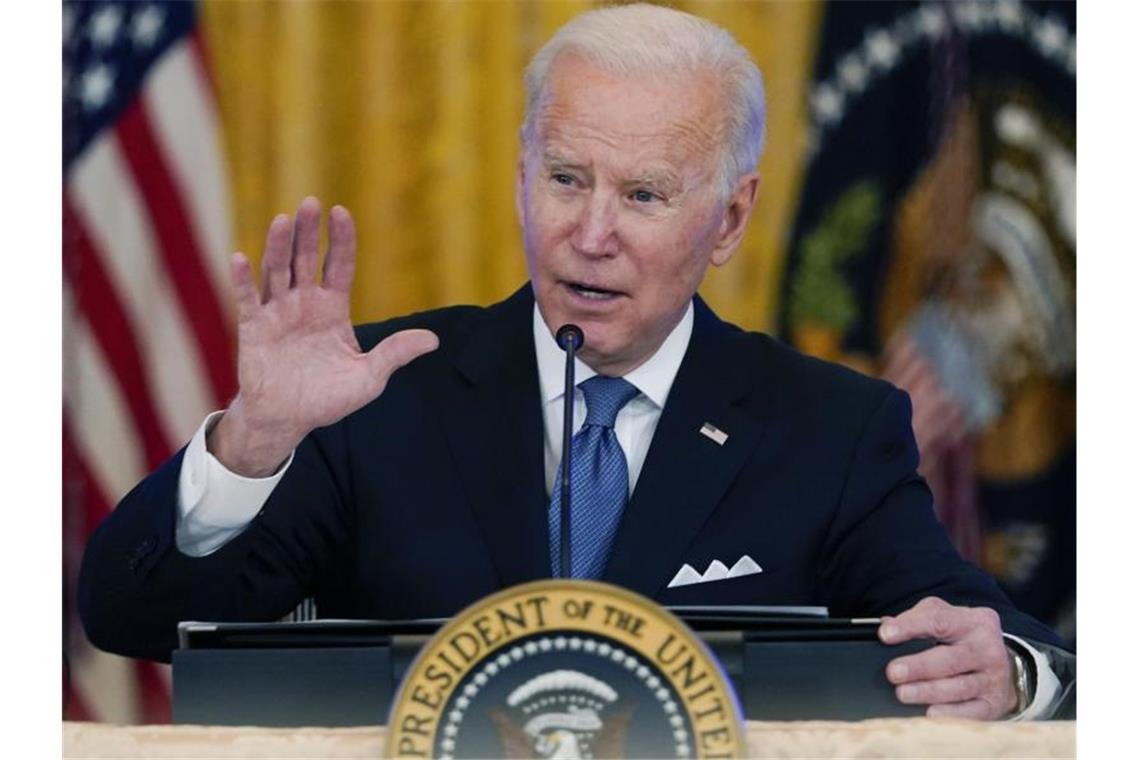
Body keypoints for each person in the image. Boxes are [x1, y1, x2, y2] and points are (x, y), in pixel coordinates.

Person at [79, 4, 1069, 720]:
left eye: (643, 196)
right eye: (564, 178)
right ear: (519, 178)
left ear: (728, 217)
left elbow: (986, 635)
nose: (589, 234)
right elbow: (135, 619)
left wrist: (1013, 673)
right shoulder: (377, 389)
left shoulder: (831, 428)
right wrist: (255, 441)